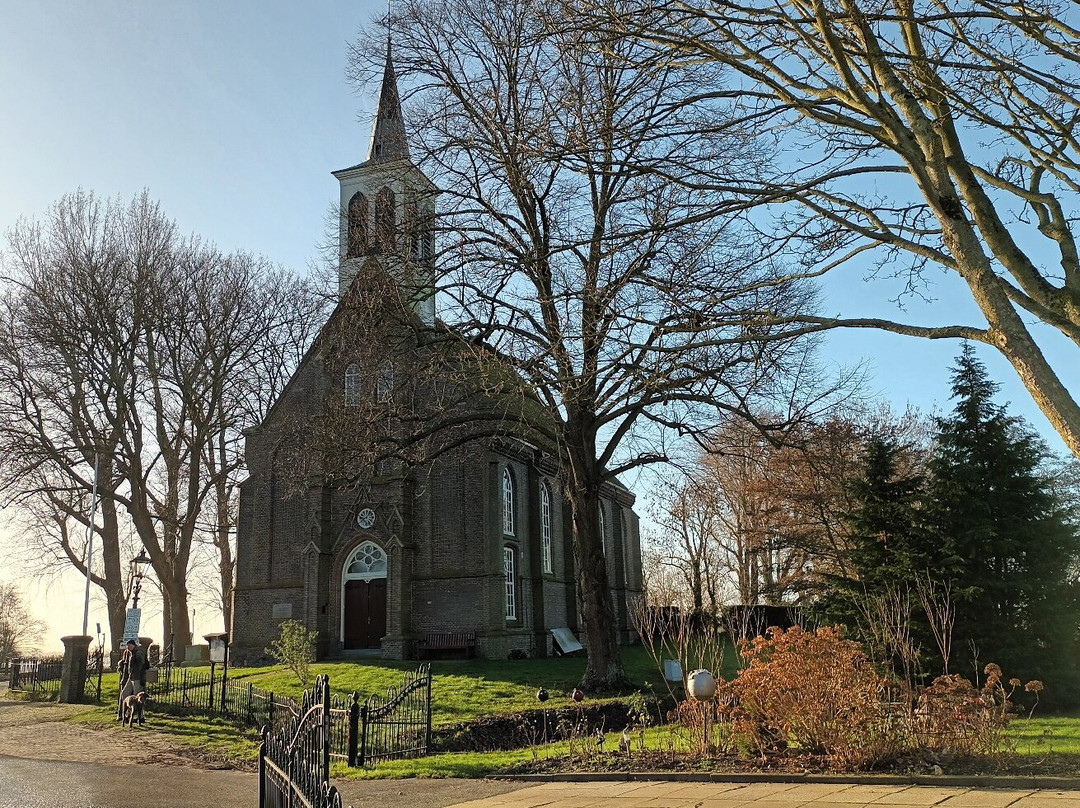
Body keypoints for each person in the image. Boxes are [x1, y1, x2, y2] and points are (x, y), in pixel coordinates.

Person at [116, 640, 150, 720]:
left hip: (137, 678)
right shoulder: (131, 653)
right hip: (131, 677)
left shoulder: (138, 653)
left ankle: (140, 717)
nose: (127, 647)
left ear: (133, 645)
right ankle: (126, 713)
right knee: (124, 693)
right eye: (127, 646)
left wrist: (141, 677)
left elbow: (141, 665)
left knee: (138, 698)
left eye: (129, 645)